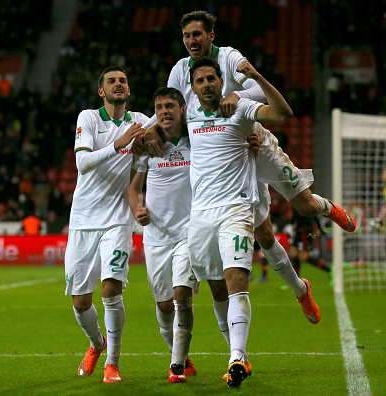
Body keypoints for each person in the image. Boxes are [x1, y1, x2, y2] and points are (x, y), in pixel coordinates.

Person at [135, 10, 352, 329]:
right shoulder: (181, 70)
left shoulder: (231, 58)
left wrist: (238, 94)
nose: (192, 40)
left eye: (197, 34)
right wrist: (154, 127)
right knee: (264, 235)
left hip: (255, 140)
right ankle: (300, 289)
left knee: (305, 206)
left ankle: (327, 206)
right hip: (229, 153)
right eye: (186, 36)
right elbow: (175, 109)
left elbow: (262, 93)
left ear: (211, 36)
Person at [185, 57, 313, 388]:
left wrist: (256, 76)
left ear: (220, 81)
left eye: (212, 78)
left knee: (236, 279)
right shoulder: (188, 114)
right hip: (200, 215)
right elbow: (163, 128)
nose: (207, 84)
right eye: (200, 81)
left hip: (236, 209)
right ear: (193, 87)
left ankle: (237, 356)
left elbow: (283, 114)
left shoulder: (239, 109)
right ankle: (236, 352)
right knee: (216, 288)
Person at [64, 66, 148, 383]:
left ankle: (112, 362)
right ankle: (96, 343)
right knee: (80, 300)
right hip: (84, 220)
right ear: (102, 91)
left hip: (118, 218)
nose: (118, 84)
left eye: (123, 80)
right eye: (111, 81)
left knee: (111, 288)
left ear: (128, 89)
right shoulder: (89, 118)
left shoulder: (140, 120)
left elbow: (174, 125)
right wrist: (118, 144)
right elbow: (81, 162)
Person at [128, 87, 198, 384]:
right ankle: (177, 353)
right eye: (158, 108)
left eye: (170, 106)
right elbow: (133, 189)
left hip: (189, 232)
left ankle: (176, 366)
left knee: (181, 294)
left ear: (182, 108)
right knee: (164, 305)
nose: (164, 111)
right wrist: (137, 209)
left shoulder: (198, 141)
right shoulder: (148, 146)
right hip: (156, 235)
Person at [287, 208, 333, 281]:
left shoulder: (304, 201)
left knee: (304, 257)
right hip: (298, 230)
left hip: (306, 230)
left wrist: (320, 230)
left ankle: (329, 270)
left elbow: (314, 216)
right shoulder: (295, 202)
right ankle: (296, 281)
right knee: (293, 253)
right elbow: (294, 217)